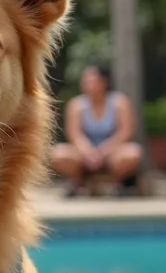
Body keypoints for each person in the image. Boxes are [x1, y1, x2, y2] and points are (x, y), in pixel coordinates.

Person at [51, 64, 143, 196]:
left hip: (112, 154)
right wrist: (89, 153)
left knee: (133, 153)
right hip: (84, 155)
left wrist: (103, 152)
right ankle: (78, 183)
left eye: (92, 80)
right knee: (58, 154)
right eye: (85, 81)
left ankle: (115, 185)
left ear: (104, 82)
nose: (88, 84)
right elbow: (75, 134)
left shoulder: (119, 102)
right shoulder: (76, 105)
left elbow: (125, 132)